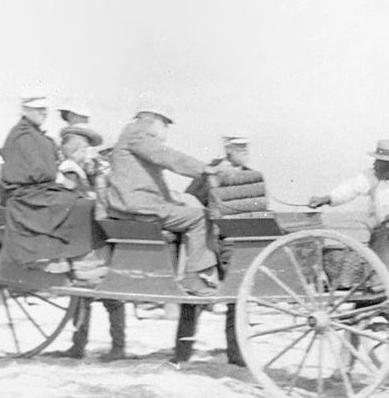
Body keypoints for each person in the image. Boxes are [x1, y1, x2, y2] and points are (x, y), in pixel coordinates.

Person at [105, 100, 224, 297]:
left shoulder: (136, 137)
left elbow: (155, 182)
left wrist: (174, 202)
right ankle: (194, 277)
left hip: (137, 205)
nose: (165, 131)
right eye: (165, 124)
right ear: (153, 120)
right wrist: (204, 169)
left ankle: (188, 273)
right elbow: (166, 157)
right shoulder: (138, 133)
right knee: (200, 218)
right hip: (138, 207)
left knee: (188, 212)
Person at [175, 132, 268, 366]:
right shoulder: (209, 171)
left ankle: (235, 354)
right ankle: (181, 352)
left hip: (235, 242)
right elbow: (189, 199)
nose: (245, 151)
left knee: (236, 297)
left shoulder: (250, 175)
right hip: (208, 242)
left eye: (246, 147)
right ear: (228, 149)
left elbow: (258, 209)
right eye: (240, 147)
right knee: (194, 295)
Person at [54, 102, 128, 361]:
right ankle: (84, 345)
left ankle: (112, 346)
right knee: (88, 293)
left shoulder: (89, 169)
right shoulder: (71, 171)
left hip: (92, 238)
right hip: (88, 237)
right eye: (82, 147)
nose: (86, 151)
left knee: (100, 292)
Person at [0, 87, 95, 271]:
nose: (43, 112)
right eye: (37, 109)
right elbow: (38, 170)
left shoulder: (35, 133)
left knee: (80, 200)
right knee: (73, 202)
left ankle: (71, 254)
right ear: (25, 110)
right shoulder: (22, 135)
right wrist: (61, 181)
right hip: (25, 195)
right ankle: (54, 256)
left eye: (44, 109)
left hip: (39, 189)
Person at [309, 138, 389, 278]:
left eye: (380, 161)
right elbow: (351, 188)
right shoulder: (372, 176)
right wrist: (327, 198)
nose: (374, 164)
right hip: (381, 238)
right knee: (380, 275)